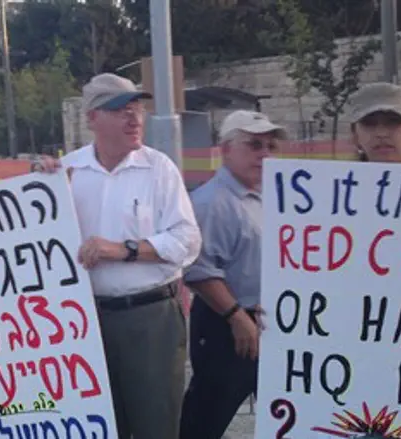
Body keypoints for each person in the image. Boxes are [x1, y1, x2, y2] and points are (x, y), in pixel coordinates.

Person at [32, 72, 202, 439]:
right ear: (92, 117)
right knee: (99, 426)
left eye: (136, 108)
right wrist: (34, 184)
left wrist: (124, 250)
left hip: (150, 319)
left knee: (155, 426)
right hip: (85, 321)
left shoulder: (158, 169)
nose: (134, 118)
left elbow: (188, 240)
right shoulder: (67, 172)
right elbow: (29, 237)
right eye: (120, 110)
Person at [179, 110, 286, 439]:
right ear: (226, 149)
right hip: (227, 326)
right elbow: (196, 268)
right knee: (206, 418)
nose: (264, 153)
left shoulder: (274, 195)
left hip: (271, 322)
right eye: (254, 144)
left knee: (281, 416)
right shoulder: (211, 202)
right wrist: (236, 316)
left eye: (270, 145)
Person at [348, 82, 401, 164]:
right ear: (355, 135)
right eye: (369, 123)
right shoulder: (333, 176)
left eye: (393, 122)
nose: (382, 133)